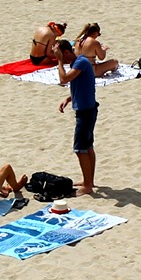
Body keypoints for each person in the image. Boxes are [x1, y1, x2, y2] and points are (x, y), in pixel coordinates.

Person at [55, 38, 99, 194]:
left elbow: (63, 79)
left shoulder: (80, 62)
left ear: (66, 52)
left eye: (61, 55)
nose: (61, 59)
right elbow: (82, 86)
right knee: (87, 146)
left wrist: (60, 62)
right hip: (89, 109)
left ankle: (87, 186)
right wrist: (68, 98)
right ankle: (89, 181)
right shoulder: (79, 63)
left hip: (85, 112)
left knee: (80, 149)